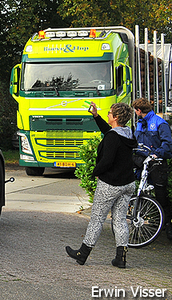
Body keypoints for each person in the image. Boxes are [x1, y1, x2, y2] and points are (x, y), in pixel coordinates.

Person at [66, 102, 137, 268]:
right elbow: (110, 133)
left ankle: (82, 254)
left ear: (116, 117)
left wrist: (95, 172)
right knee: (119, 220)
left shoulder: (114, 136)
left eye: (110, 113)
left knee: (97, 219)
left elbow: (107, 160)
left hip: (110, 184)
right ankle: (121, 258)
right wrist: (96, 116)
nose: (108, 114)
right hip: (127, 184)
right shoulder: (128, 134)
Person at [132, 98, 172, 241]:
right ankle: (139, 226)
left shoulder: (160, 123)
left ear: (138, 111)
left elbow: (168, 145)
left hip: (157, 163)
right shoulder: (139, 124)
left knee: (161, 196)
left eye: (135, 111)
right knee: (140, 194)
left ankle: (167, 226)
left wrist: (156, 154)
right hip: (142, 161)